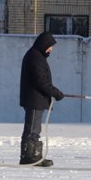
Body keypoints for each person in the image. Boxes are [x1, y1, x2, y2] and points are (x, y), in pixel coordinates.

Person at [19, 31, 65, 166]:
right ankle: (29, 156)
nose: (51, 49)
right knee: (32, 129)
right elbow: (40, 81)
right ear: (44, 44)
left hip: (37, 99)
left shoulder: (37, 56)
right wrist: (55, 93)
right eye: (50, 46)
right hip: (34, 100)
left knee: (35, 129)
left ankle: (34, 156)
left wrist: (53, 93)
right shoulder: (35, 57)